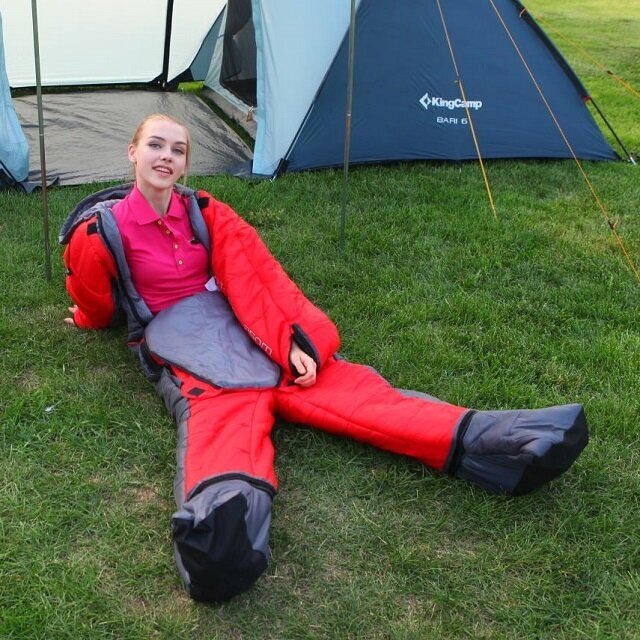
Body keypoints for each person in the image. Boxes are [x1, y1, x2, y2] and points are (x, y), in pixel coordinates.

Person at [60, 114, 588, 602]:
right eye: (155, 145)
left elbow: (257, 275)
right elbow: (95, 298)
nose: (166, 157)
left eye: (177, 150)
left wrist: (292, 342)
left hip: (236, 320)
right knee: (223, 416)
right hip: (183, 347)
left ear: (185, 163)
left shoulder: (205, 211)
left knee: (340, 389)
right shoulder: (99, 233)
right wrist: (85, 319)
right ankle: (218, 534)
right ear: (133, 151)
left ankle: (495, 442)